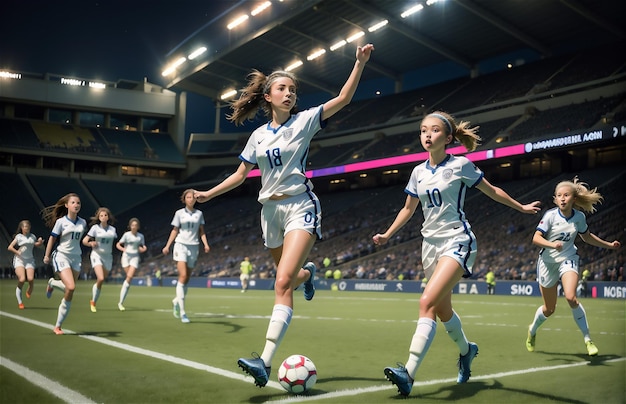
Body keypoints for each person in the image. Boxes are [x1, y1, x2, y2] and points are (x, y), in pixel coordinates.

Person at [194, 42, 375, 388]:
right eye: (282, 89)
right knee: (289, 279)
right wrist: (209, 193)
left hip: (299, 206)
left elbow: (343, 100)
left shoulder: (305, 121)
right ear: (268, 97)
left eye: (293, 89)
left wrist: (359, 64)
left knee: (280, 282)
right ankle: (308, 276)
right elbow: (239, 175)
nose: (289, 93)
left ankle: (263, 360)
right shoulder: (258, 136)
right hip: (270, 213)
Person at [372, 111, 541, 396]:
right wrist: (388, 234)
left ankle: (408, 373)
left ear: (448, 138)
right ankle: (467, 350)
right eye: (423, 130)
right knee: (441, 310)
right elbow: (407, 209)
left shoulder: (461, 165)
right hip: (430, 246)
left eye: (435, 130)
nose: (427, 135)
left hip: (457, 240)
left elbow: (492, 190)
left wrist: (521, 207)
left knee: (426, 302)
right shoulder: (418, 172)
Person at [525, 177, 621, 356]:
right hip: (547, 263)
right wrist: (552, 245)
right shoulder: (550, 216)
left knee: (571, 297)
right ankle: (532, 330)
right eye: (559, 195)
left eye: (566, 195)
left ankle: (588, 340)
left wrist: (609, 245)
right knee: (549, 309)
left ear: (573, 199)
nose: (562, 198)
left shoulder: (579, 217)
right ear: (555, 199)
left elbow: (587, 237)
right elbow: (536, 238)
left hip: (568, 258)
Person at [162, 189, 210, 323]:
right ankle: (183, 312)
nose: (191, 199)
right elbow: (175, 230)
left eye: (192, 197)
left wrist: (205, 244)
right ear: (184, 199)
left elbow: (201, 231)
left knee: (186, 278)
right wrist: (167, 246)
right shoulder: (179, 213)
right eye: (188, 197)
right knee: (182, 275)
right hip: (180, 245)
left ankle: (176, 301)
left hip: (193, 246)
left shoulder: (199, 214)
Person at [42, 193, 87, 335]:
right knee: (71, 286)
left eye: (78, 203)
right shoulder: (61, 222)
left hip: (76, 258)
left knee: (69, 290)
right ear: (67, 205)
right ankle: (57, 328)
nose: (76, 205)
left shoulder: (83, 222)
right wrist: (47, 255)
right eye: (73, 202)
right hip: (62, 255)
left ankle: (52, 284)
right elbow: (52, 239)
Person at [82, 207, 117, 313]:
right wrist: (90, 243)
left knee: (101, 281)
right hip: (96, 255)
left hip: (108, 257)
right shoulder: (95, 228)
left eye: (105, 215)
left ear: (108, 217)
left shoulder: (112, 230)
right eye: (101, 215)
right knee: (100, 278)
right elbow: (84, 241)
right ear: (98, 217)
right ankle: (93, 302)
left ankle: (93, 299)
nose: (103, 217)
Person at [7, 220, 43, 309]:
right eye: (25, 226)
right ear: (22, 228)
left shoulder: (32, 236)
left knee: (30, 279)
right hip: (19, 260)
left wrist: (39, 242)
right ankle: (20, 303)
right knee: (22, 279)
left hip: (30, 260)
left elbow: (34, 244)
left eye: (28, 226)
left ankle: (31, 287)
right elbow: (10, 247)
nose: (26, 228)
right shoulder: (18, 237)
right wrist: (17, 252)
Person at [116, 218, 147, 311]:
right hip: (126, 257)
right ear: (130, 226)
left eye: (135, 225)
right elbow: (118, 244)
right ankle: (121, 301)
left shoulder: (140, 236)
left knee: (129, 277)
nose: (134, 227)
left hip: (135, 257)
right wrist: (123, 249)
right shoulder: (126, 235)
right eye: (132, 225)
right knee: (128, 278)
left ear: (138, 227)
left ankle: (120, 302)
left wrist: (143, 249)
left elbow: (142, 246)